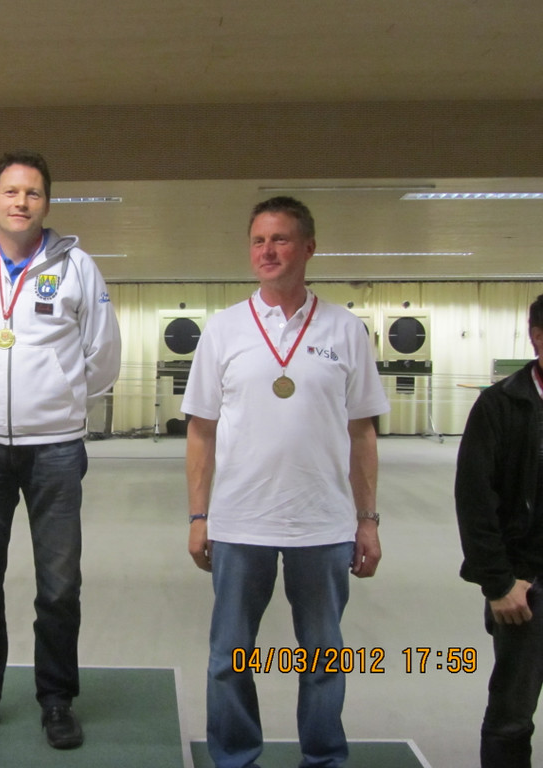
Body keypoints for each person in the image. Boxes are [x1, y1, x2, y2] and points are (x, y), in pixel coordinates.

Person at [182, 196, 388, 768]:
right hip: (239, 521)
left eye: (280, 239)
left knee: (323, 659)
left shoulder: (345, 329)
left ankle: (323, 759)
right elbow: (201, 431)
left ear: (309, 248)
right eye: (258, 241)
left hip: (322, 523)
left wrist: (367, 521)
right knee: (230, 658)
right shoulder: (223, 329)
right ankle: (234, 758)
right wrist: (198, 516)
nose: (267, 251)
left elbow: (363, 432)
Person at [0, 150, 121, 750]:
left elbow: (103, 353)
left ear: (47, 203)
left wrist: (62, 398)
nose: (21, 202)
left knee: (59, 585)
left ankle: (57, 699)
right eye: (11, 192)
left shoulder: (77, 268)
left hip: (56, 449)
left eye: (33, 192)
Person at [455, 294, 543, 768]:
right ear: (537, 337)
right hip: (526, 590)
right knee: (511, 717)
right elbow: (475, 502)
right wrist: (499, 583)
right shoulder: (499, 406)